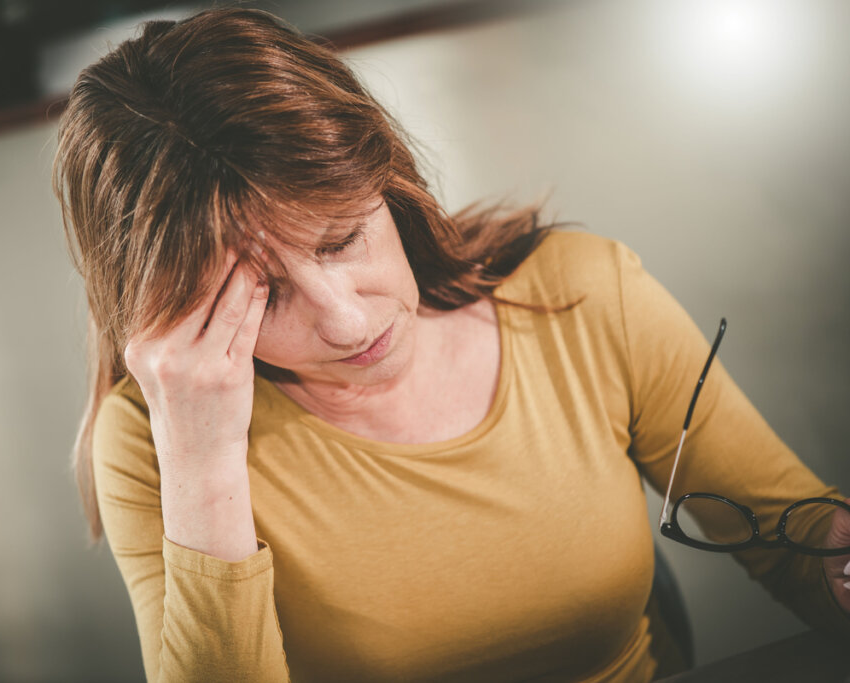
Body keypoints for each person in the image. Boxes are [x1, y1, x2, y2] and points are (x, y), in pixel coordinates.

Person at [52, 8, 850, 682]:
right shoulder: (156, 443)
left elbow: (794, 541)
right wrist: (203, 462)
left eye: (341, 239)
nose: (347, 322)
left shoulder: (581, 294)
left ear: (388, 182)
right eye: (259, 295)